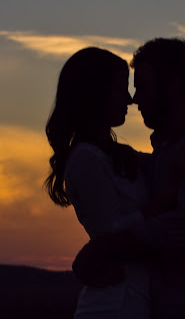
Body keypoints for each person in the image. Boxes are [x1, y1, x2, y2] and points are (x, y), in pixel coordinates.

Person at [72, 38, 185, 319]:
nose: (135, 99)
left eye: (143, 86)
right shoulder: (168, 150)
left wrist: (105, 247)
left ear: (173, 86)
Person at [44, 47, 153, 318]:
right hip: (114, 302)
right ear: (96, 92)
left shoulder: (114, 155)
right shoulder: (85, 159)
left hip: (132, 297)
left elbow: (165, 162)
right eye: (121, 89)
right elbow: (114, 232)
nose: (128, 100)